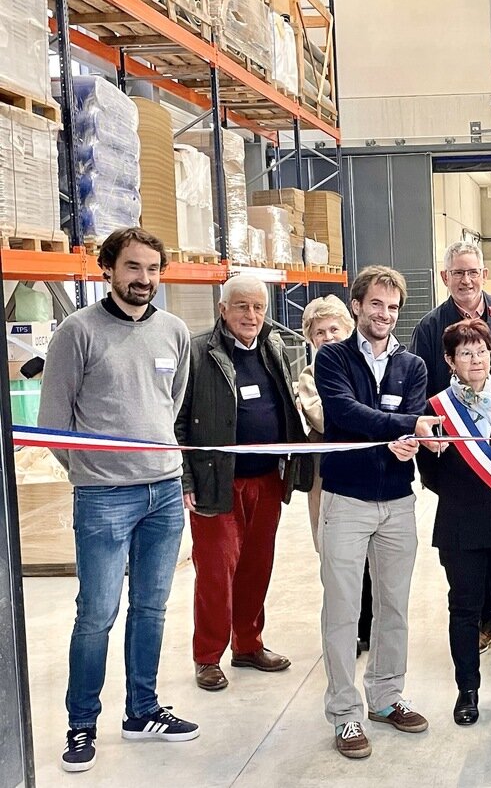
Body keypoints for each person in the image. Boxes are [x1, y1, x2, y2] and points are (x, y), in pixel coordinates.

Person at [38, 227, 198, 773]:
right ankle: (81, 725)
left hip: (164, 492)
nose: (144, 279)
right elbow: (54, 426)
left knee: (151, 609)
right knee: (97, 614)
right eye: (133, 267)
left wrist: (158, 467)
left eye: (153, 269)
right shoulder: (76, 332)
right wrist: (93, 472)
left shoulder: (175, 331)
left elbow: (169, 407)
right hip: (104, 497)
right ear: (107, 269)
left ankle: (142, 710)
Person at [313, 266, 442, 759]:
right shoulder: (333, 358)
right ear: (357, 306)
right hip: (346, 501)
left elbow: (398, 420)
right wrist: (406, 425)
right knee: (343, 612)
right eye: (376, 305)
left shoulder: (412, 366)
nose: (385, 314)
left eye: (393, 307)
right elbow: (343, 413)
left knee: (394, 608)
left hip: (397, 503)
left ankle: (387, 698)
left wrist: (402, 435)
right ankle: (346, 715)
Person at [176, 275, 313, 692]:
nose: (251, 315)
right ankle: (208, 656)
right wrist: (186, 477)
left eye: (258, 307)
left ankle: (248, 645)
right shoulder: (199, 353)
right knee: (217, 572)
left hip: (266, 480)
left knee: (256, 568)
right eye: (241, 307)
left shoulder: (273, 348)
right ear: (223, 310)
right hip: (217, 482)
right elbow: (179, 423)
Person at [410, 240, 491, 651]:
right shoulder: (431, 329)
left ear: (484, 274)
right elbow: (421, 394)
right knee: (471, 545)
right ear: (444, 277)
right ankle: (485, 619)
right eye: (457, 273)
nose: (466, 280)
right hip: (460, 464)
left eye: (473, 272)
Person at [416, 319, 491, 726]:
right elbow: (428, 474)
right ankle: (467, 690)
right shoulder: (435, 410)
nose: (476, 359)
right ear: (450, 360)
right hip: (460, 525)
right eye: (465, 353)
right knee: (464, 610)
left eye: (481, 350)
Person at [296, 296, 373, 656]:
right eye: (319, 332)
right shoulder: (309, 378)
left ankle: (372, 626)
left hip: (372, 476)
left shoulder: (368, 367)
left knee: (374, 558)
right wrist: (364, 416)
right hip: (327, 480)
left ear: (348, 330)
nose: (328, 337)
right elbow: (327, 419)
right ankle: (348, 631)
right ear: (310, 339)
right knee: (338, 560)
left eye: (334, 329)